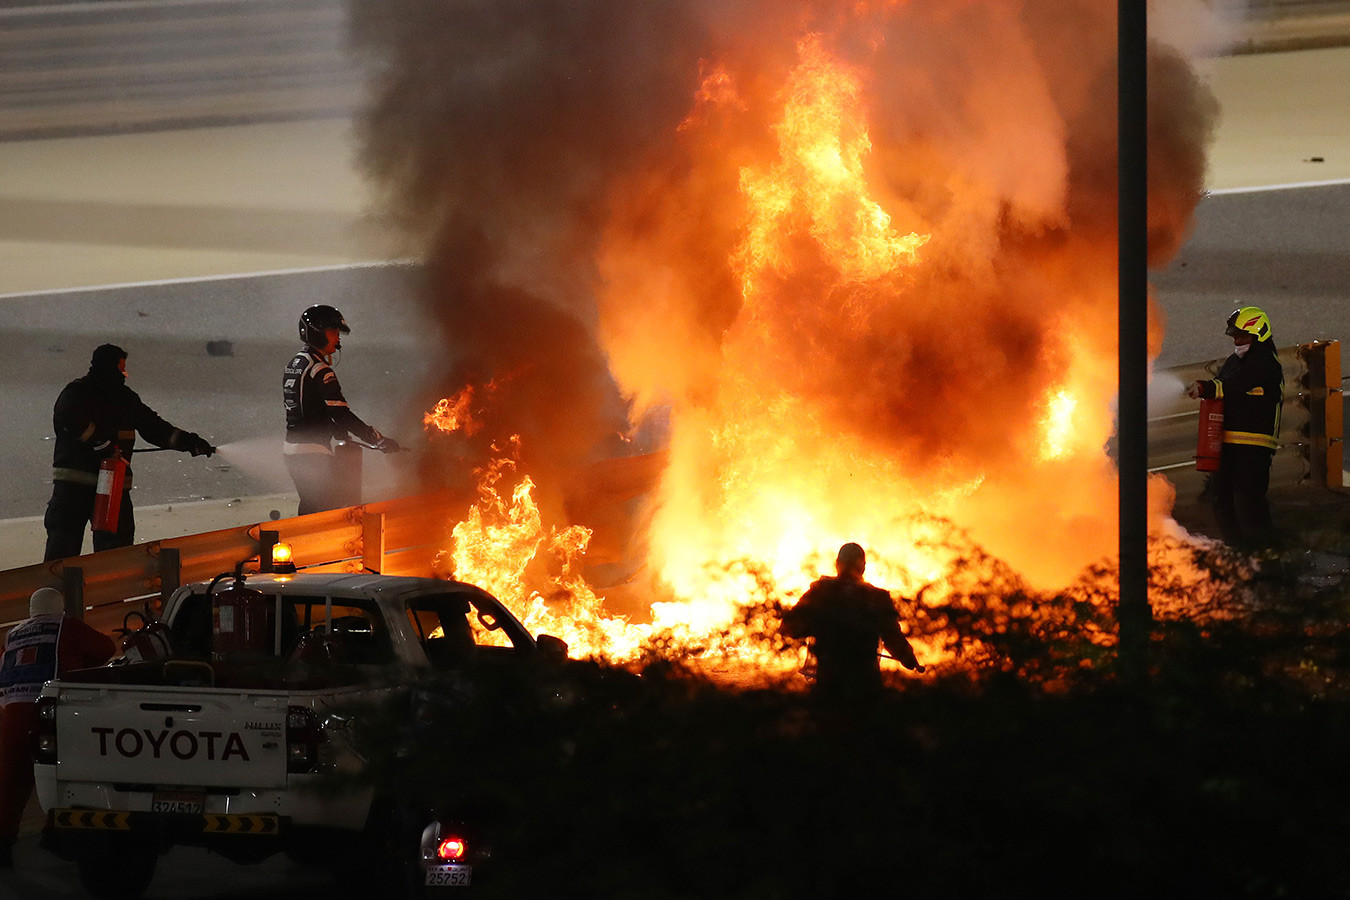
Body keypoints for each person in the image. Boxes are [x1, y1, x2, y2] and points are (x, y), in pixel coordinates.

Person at [43, 344, 215, 561]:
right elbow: (68, 415)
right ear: (109, 367)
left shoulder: (126, 399)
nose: (125, 374)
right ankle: (52, 594)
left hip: (113, 488)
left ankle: (112, 593)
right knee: (63, 547)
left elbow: (155, 428)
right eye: (122, 368)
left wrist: (190, 442)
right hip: (74, 488)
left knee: (116, 552)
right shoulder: (77, 393)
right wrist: (101, 445)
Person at [0, 588, 117, 867]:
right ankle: (56, 835)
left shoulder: (13, 634)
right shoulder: (69, 626)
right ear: (59, 607)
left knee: (10, 783)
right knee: (69, 774)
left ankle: (2, 845)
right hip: (50, 715)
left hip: (12, 716)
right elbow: (107, 648)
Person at [283, 305, 402, 514]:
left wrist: (336, 429)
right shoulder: (320, 369)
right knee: (331, 514)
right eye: (333, 333)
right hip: (314, 454)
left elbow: (307, 407)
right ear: (316, 332)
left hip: (293, 452)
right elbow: (341, 413)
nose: (337, 339)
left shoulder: (295, 363)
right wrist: (376, 438)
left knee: (310, 510)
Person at [1185, 306, 1284, 549]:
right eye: (1235, 337)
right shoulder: (1234, 361)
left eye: (1242, 336)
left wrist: (1204, 387)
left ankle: (1268, 561)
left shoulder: (1265, 363)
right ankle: (1239, 555)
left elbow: (1231, 386)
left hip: (1255, 446)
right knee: (1221, 501)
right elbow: (1223, 382)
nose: (1237, 341)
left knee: (1247, 502)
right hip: (1228, 443)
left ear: (1259, 334)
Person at [781, 542, 924, 700]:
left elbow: (790, 627)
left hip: (830, 685)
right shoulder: (876, 597)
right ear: (863, 566)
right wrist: (909, 659)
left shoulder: (820, 593)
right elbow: (893, 636)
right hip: (865, 684)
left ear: (837, 564)